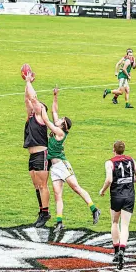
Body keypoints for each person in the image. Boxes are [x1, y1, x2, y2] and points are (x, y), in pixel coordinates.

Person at [41, 87, 101, 233]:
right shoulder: (59, 127)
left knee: (76, 188)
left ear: (63, 125)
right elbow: (54, 111)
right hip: (54, 167)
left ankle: (94, 209)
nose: (59, 118)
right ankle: (59, 222)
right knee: (57, 195)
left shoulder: (59, 132)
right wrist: (55, 96)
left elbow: (47, 121)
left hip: (62, 164)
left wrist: (40, 108)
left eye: (61, 120)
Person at [99, 141, 136, 270]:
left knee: (114, 222)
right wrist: (128, 180)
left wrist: (103, 190)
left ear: (114, 149)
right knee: (125, 225)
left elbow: (109, 180)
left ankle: (116, 251)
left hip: (116, 195)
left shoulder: (110, 162)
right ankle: (123, 251)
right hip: (129, 196)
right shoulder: (131, 160)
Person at [24, 74, 51, 228]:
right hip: (32, 155)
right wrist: (26, 85)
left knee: (42, 185)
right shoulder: (31, 116)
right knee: (36, 186)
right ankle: (41, 211)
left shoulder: (41, 117)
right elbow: (27, 99)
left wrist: (28, 81)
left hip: (41, 154)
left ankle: (45, 213)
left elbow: (33, 99)